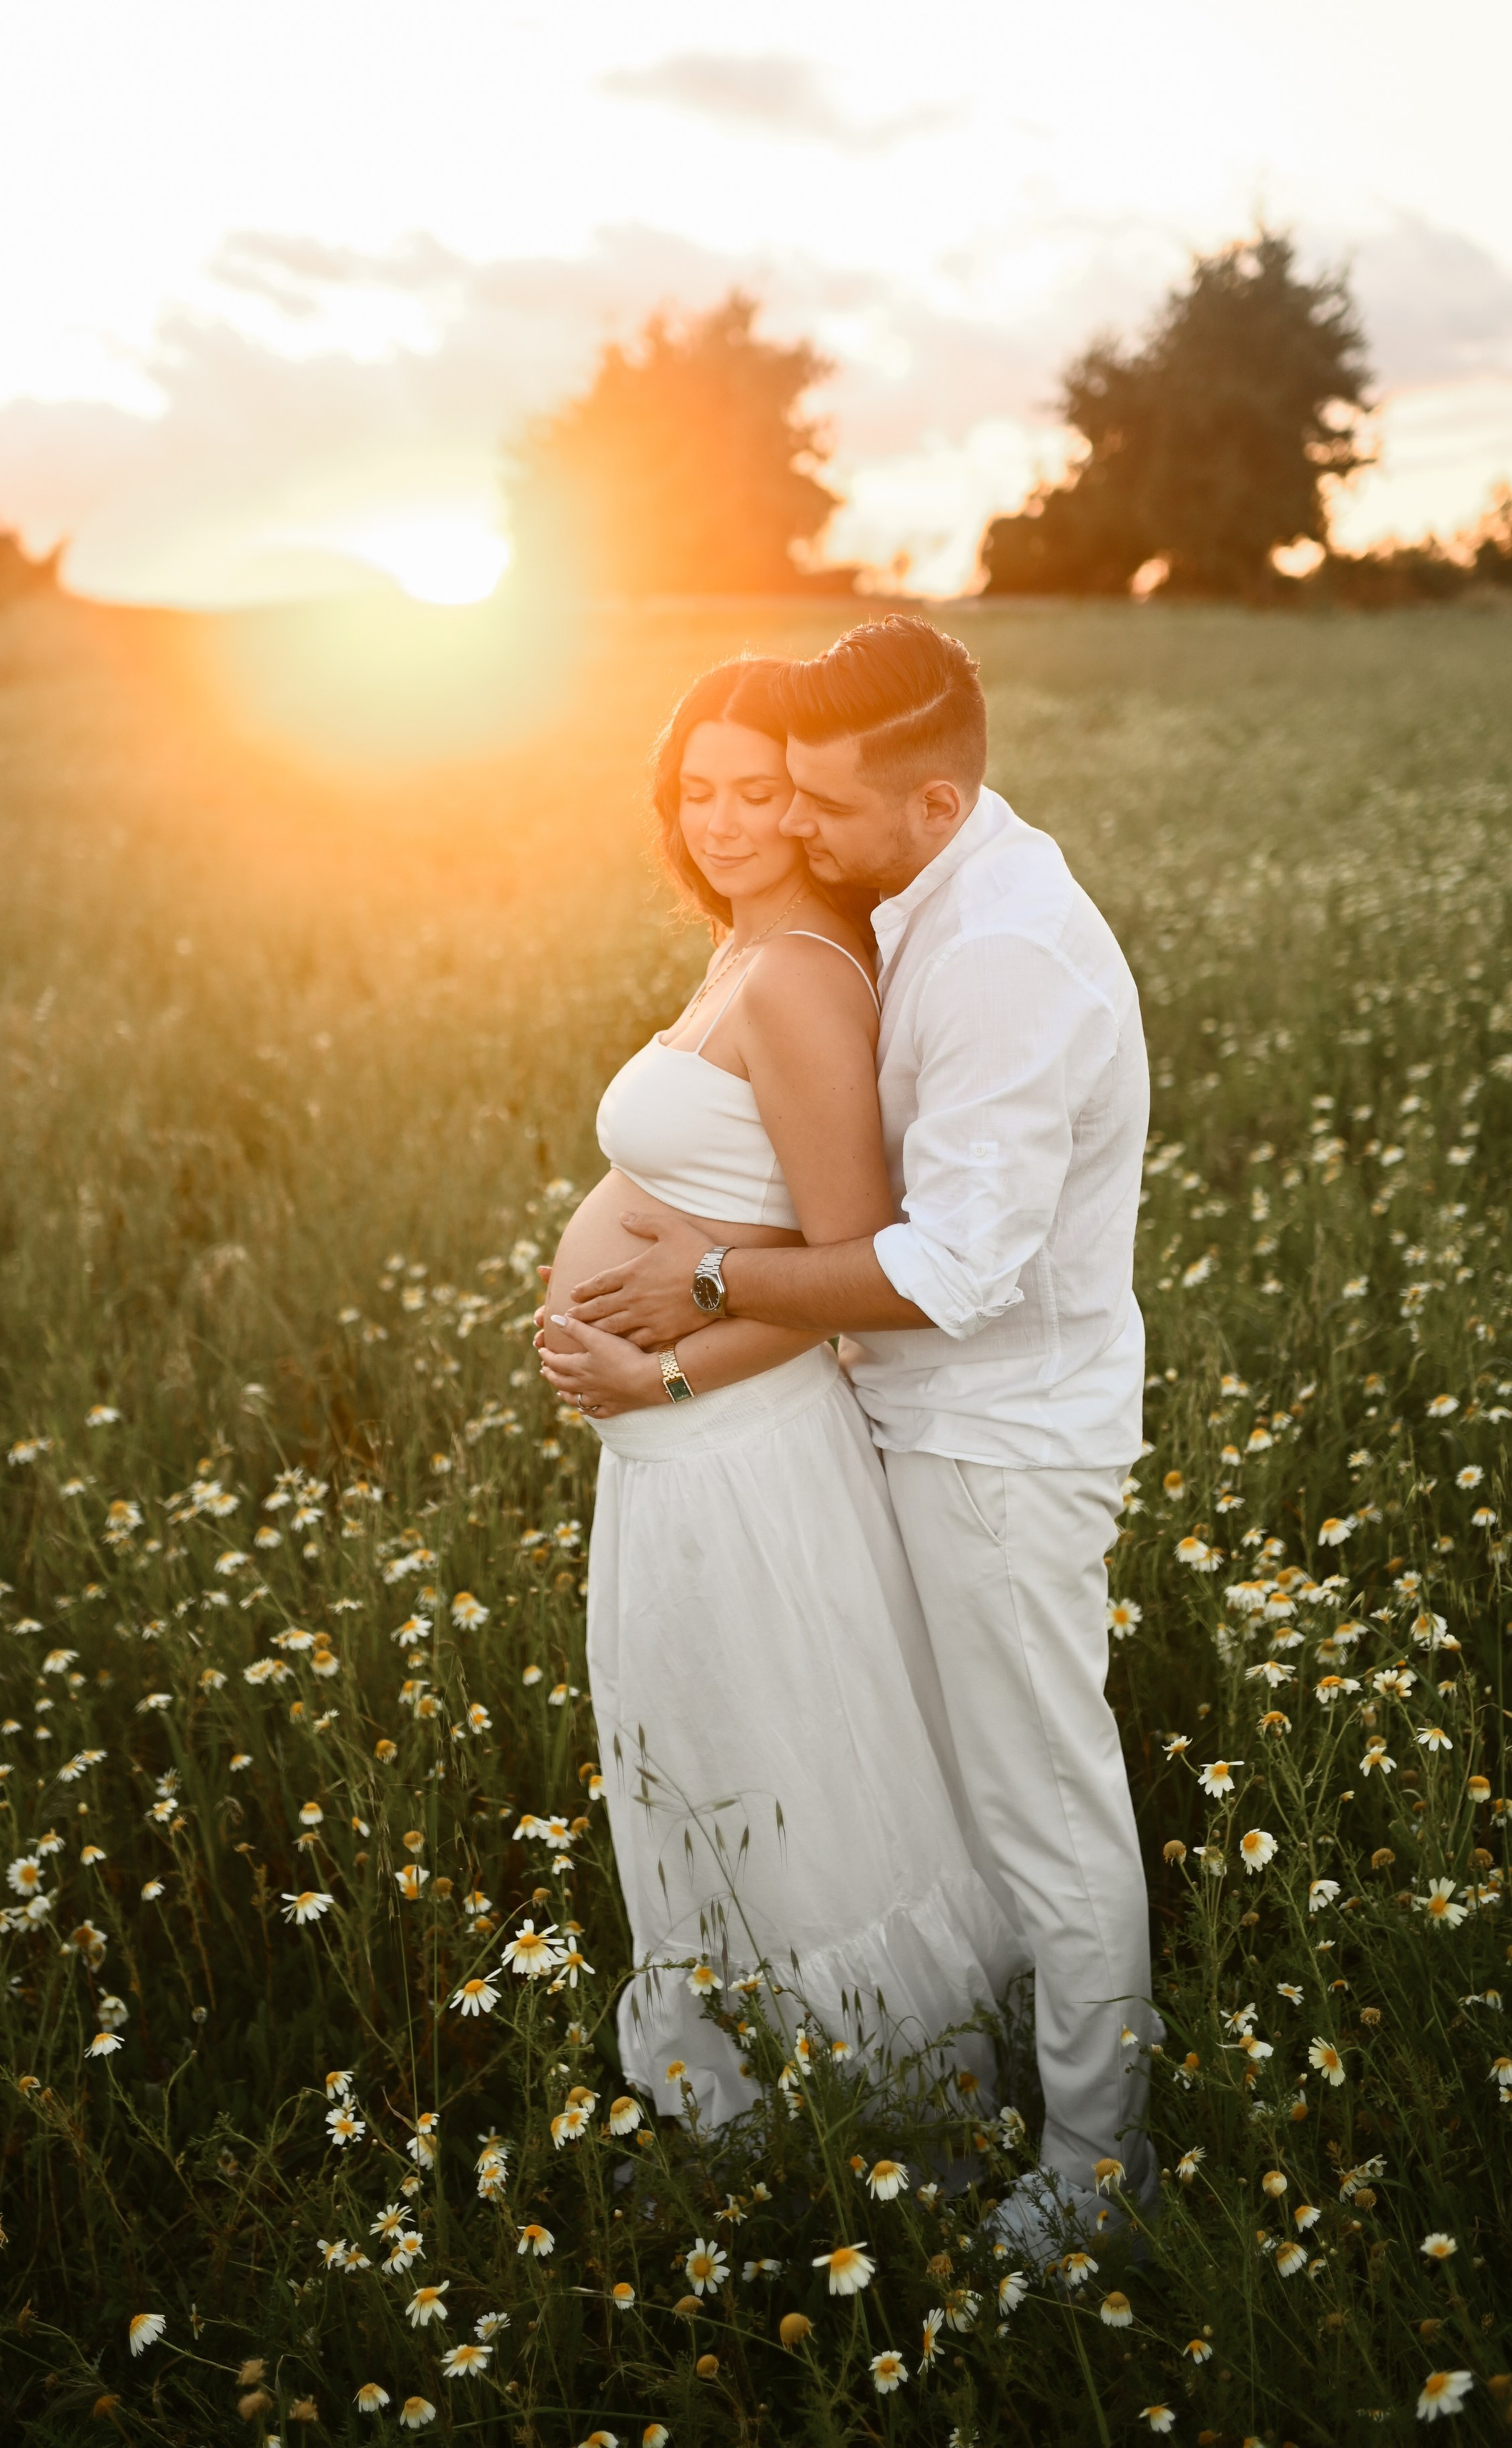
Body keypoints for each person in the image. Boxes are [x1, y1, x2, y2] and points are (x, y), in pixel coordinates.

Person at [564, 612, 1157, 2249]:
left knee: (1039, 1805)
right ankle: (894, 2086)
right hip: (904, 1418)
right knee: (912, 1781)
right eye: (743, 791)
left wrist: (697, 1295)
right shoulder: (923, 907)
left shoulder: (1001, 959)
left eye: (812, 802)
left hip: (995, 1441)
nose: (791, 832)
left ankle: (1093, 2175)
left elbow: (947, 1267)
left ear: (934, 803)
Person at [537, 654, 1020, 2131]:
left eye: (758, 792)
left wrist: (664, 1362)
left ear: (809, 807)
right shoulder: (741, 953)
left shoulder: (802, 973)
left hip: (741, 1453)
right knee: (717, 1772)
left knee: (797, 1789)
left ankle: (890, 2123)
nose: (725, 821)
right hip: (681, 1456)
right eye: (698, 791)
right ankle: (754, 2111)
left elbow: (850, 1270)